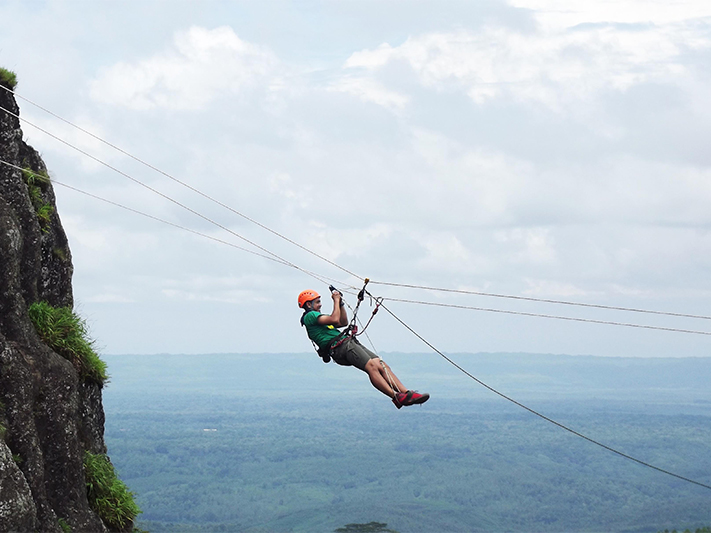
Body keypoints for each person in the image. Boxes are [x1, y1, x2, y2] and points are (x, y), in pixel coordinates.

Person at [298, 288, 430, 409]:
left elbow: (342, 322)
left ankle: (406, 393)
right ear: (308, 305)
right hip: (340, 347)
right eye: (317, 302)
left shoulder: (316, 318)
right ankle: (396, 397)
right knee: (371, 366)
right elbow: (334, 318)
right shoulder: (310, 316)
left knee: (380, 364)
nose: (320, 304)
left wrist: (341, 304)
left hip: (346, 343)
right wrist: (336, 300)